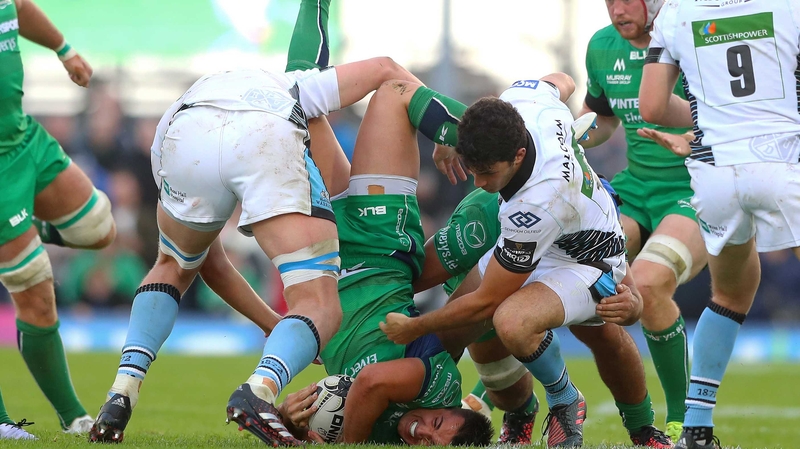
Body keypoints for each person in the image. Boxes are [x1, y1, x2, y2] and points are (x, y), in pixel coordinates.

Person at [86, 15, 426, 449]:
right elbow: (383, 69)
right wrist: (446, 134)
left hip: (183, 131)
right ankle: (260, 391)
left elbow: (209, 263)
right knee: (320, 304)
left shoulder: (196, 97)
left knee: (171, 264)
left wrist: (272, 323)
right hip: (265, 129)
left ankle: (122, 390)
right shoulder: (298, 84)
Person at [258, 2, 491, 444]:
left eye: (423, 444)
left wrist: (289, 420)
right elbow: (368, 385)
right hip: (377, 239)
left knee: (297, 95)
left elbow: (319, 419)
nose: (420, 430)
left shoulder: (382, 432)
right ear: (450, 409)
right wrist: (444, 135)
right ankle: (474, 138)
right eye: (437, 425)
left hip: (326, 253)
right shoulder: (437, 384)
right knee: (392, 87)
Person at [381, 73, 629, 448]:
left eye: (488, 172)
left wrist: (412, 328)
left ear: (519, 155)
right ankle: (508, 413)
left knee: (509, 321)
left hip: (588, 260)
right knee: (449, 336)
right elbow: (560, 81)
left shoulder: (537, 203)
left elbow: (486, 302)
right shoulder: (524, 101)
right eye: (472, 167)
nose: (478, 182)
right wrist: (453, 139)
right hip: (553, 236)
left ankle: (564, 399)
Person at [637, 1, 800, 448]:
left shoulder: (674, 14)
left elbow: (650, 106)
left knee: (729, 294)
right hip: (784, 163)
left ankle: (696, 428)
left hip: (714, 175)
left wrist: (717, 120)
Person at [418, 182, 672, 448]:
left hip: (564, 264)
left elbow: (627, 290)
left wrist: (631, 305)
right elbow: (419, 280)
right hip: (488, 280)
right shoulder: (478, 220)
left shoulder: (585, 198)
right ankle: (520, 416)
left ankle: (642, 427)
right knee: (500, 382)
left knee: (606, 330)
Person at [579, 0, 709, 439]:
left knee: (649, 284)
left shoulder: (692, 35)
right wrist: (567, 136)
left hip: (695, 190)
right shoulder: (601, 46)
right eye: (609, 0)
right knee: (567, 265)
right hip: (635, 191)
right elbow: (604, 121)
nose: (618, 9)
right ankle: (494, 398)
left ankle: (683, 421)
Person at [0, 0, 114, 439]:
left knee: (98, 227)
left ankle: (26, 223)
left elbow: (20, 7)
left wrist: (64, 50)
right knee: (34, 286)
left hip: (23, 137)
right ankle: (73, 417)